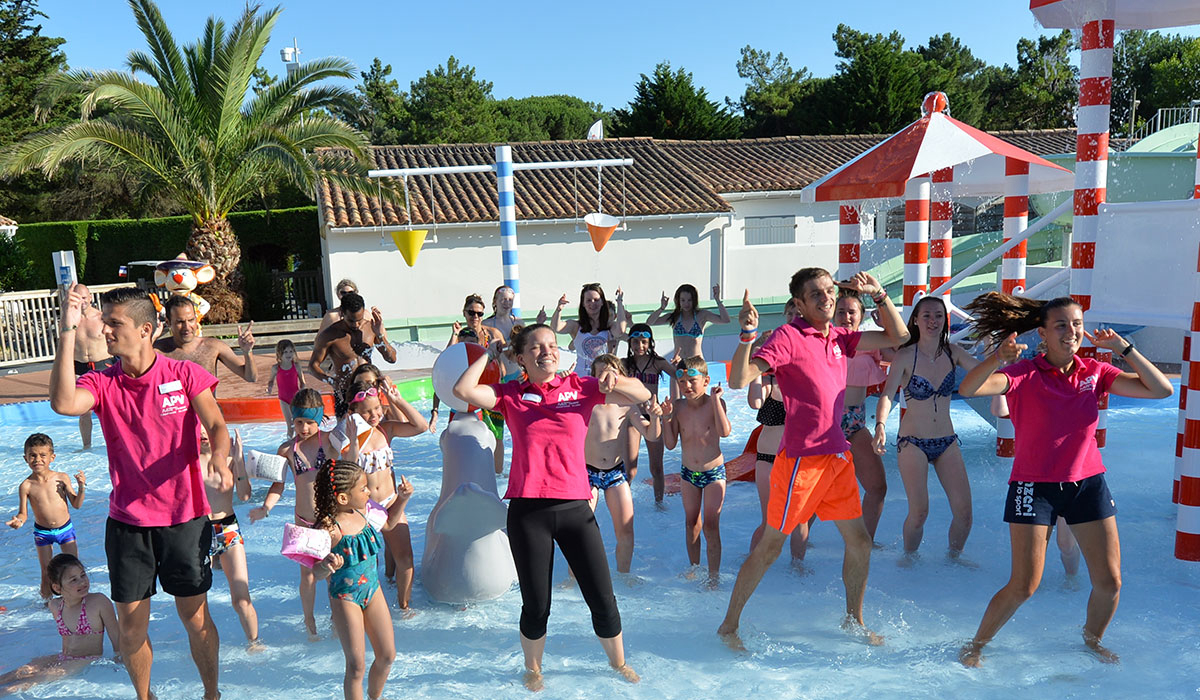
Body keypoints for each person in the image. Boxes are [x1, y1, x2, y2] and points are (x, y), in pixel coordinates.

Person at [956, 292, 1172, 667]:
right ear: (1042, 333)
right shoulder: (1022, 373)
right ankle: (977, 644)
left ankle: (1091, 641)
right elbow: (968, 389)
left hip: (1088, 485)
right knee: (1024, 585)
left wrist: (1124, 348)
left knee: (1110, 582)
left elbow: (1161, 390)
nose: (1071, 331)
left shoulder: (1096, 372)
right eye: (1061, 325)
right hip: (1033, 487)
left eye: (1077, 324)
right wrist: (997, 358)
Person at [49, 283, 232, 700]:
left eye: (116, 324)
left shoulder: (183, 373)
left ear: (146, 329)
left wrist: (219, 459)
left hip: (185, 519)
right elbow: (62, 402)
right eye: (105, 323)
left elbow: (218, 425)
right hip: (129, 525)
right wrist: (66, 328)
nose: (107, 332)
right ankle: (145, 697)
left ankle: (211, 694)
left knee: (195, 616)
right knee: (131, 627)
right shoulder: (103, 381)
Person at [717, 270, 908, 650]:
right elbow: (740, 380)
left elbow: (900, 338)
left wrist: (880, 296)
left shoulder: (839, 337)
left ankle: (854, 620)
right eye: (815, 294)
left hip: (837, 456)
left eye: (829, 291)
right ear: (800, 304)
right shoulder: (788, 337)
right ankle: (729, 626)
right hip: (802, 462)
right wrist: (747, 335)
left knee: (860, 542)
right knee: (771, 547)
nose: (825, 298)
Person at [453, 323, 648, 690]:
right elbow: (462, 390)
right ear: (522, 357)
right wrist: (487, 355)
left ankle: (618, 664)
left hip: (576, 507)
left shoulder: (580, 388)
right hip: (529, 514)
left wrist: (613, 381)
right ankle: (534, 669)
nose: (547, 351)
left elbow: (639, 393)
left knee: (602, 599)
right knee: (537, 606)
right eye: (537, 347)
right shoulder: (511, 394)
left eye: (552, 345)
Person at [873, 295, 978, 560]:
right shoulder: (906, 356)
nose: (933, 321)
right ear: (916, 321)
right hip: (913, 442)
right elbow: (887, 394)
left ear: (945, 321)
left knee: (965, 514)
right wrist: (881, 426)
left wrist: (998, 354)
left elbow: (985, 373)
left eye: (938, 316)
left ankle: (954, 559)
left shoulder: (954, 353)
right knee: (919, 512)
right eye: (927, 316)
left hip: (947, 441)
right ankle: (909, 560)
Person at [312, 460, 413, 700]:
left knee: (387, 655)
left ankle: (374, 697)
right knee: (356, 665)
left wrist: (402, 499)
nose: (369, 491)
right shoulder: (329, 528)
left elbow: (388, 523)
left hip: (372, 590)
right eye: (363, 488)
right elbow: (314, 572)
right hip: (345, 597)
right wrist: (326, 566)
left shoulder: (364, 510)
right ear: (343, 498)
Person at [249, 388, 330, 639]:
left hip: (330, 521)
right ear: (292, 420)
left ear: (319, 419)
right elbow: (279, 484)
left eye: (309, 422)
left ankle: (339, 618)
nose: (304, 428)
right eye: (298, 422)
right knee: (306, 576)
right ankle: (310, 622)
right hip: (303, 521)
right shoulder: (287, 449)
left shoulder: (329, 442)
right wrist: (266, 508)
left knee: (332, 572)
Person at [343, 378, 427, 611]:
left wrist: (397, 399)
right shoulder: (348, 438)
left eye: (377, 408)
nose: (374, 415)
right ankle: (366, 606)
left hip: (391, 501)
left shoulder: (385, 429)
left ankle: (404, 607)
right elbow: (348, 469)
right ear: (354, 412)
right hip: (364, 508)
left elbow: (420, 426)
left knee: (406, 560)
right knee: (367, 565)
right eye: (367, 412)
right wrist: (351, 440)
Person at [584, 354, 663, 576]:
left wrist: (656, 417)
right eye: (600, 373)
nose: (606, 378)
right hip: (586, 473)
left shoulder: (626, 404)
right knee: (580, 531)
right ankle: (575, 579)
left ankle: (623, 576)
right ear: (593, 377)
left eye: (611, 373)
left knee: (626, 531)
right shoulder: (587, 401)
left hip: (614, 474)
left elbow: (652, 435)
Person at [0, 554, 120, 695]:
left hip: (86, 659)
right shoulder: (55, 605)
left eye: (83, 575)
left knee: (31, 681)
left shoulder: (98, 602)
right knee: (19, 672)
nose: (82, 582)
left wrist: (120, 660)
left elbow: (116, 635)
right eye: (73, 580)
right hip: (62, 657)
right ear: (57, 588)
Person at [745, 299, 807, 564]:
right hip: (769, 457)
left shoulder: (810, 362)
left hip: (799, 456)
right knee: (769, 519)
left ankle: (797, 569)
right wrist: (755, 363)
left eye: (799, 313)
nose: (794, 316)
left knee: (799, 517)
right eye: (790, 312)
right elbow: (755, 402)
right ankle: (753, 566)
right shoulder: (772, 368)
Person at [661, 356, 732, 587]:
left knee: (711, 526)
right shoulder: (679, 407)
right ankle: (695, 568)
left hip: (714, 474)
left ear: (706, 381)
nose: (687, 386)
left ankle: (713, 577)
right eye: (683, 383)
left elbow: (725, 432)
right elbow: (670, 444)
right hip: (688, 474)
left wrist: (716, 401)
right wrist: (665, 417)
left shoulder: (715, 404)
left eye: (693, 381)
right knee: (691, 523)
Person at [200, 428, 262, 650]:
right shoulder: (189, 462)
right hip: (198, 531)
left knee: (241, 598)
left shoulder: (228, 459)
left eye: (205, 428)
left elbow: (245, 495)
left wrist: (238, 460)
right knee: (198, 604)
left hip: (227, 527)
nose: (202, 433)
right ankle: (203, 647)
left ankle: (254, 643)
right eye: (196, 428)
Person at [837, 293, 892, 543]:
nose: (847, 317)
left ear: (860, 316)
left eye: (852, 312)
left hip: (856, 423)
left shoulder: (869, 343)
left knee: (877, 487)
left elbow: (901, 350)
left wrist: (884, 325)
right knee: (816, 493)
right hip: (827, 424)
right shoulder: (823, 342)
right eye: (841, 312)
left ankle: (865, 544)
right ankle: (798, 552)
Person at [7, 433, 86, 599]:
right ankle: (47, 605)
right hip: (43, 533)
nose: (37, 459)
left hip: (65, 530)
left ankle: (77, 600)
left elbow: (77, 505)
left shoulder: (61, 478)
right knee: (46, 571)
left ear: (52, 457)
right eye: (32, 455)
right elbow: (23, 513)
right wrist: (19, 520)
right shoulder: (26, 486)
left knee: (74, 569)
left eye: (43, 455)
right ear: (25, 458)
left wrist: (81, 487)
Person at [310, 292, 397, 418]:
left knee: (376, 431)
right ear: (342, 313)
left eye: (359, 320)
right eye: (351, 320)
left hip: (369, 391)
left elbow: (392, 358)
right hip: (345, 393)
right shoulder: (329, 335)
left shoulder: (371, 328)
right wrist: (331, 381)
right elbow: (313, 366)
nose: (356, 325)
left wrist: (379, 335)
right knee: (346, 433)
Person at [450, 294, 508, 474]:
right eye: (471, 313)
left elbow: (504, 366)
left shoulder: (493, 334)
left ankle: (497, 475)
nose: (475, 317)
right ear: (464, 313)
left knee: (496, 435)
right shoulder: (462, 336)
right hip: (467, 392)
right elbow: (446, 361)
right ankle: (467, 472)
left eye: (479, 314)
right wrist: (454, 335)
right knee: (464, 434)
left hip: (491, 388)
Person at [621, 323, 675, 505]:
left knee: (657, 468)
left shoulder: (658, 363)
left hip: (653, 418)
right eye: (635, 342)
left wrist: (681, 366)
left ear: (650, 342)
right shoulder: (624, 364)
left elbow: (679, 376)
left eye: (644, 342)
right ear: (630, 343)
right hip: (632, 418)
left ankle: (658, 504)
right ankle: (623, 504)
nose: (640, 346)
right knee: (630, 470)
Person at [154, 294, 257, 388]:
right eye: (180, 322)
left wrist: (247, 351)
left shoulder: (213, 346)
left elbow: (250, 377)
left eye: (191, 320)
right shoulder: (157, 351)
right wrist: (151, 339)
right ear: (168, 322)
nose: (187, 327)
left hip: (209, 407)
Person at [549, 283, 626, 377]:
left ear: (602, 302)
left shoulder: (609, 326)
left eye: (596, 300)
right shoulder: (576, 326)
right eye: (588, 300)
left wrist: (619, 302)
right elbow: (556, 327)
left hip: (603, 378)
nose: (592, 303)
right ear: (583, 304)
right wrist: (559, 309)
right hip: (581, 377)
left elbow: (621, 329)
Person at [71, 286, 111, 448]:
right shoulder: (70, 320)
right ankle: (86, 446)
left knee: (109, 409)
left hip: (103, 365)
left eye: (84, 297)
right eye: (78, 298)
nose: (82, 301)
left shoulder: (102, 318)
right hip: (80, 367)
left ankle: (113, 443)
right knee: (84, 411)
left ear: (90, 297)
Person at [645, 284, 731, 360]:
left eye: (689, 300)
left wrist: (718, 300)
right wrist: (661, 308)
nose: (686, 304)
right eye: (683, 300)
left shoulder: (702, 315)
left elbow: (725, 320)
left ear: (694, 300)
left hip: (697, 363)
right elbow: (650, 322)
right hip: (678, 362)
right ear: (678, 301)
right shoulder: (674, 316)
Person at [267, 338, 307, 438]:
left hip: (296, 399)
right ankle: (289, 444)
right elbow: (271, 380)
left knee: (299, 424)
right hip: (284, 400)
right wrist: (269, 387)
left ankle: (299, 444)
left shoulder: (296, 366)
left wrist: (303, 391)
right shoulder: (276, 368)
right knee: (291, 425)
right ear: (279, 354)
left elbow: (303, 382)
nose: (289, 354)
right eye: (285, 352)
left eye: (291, 351)